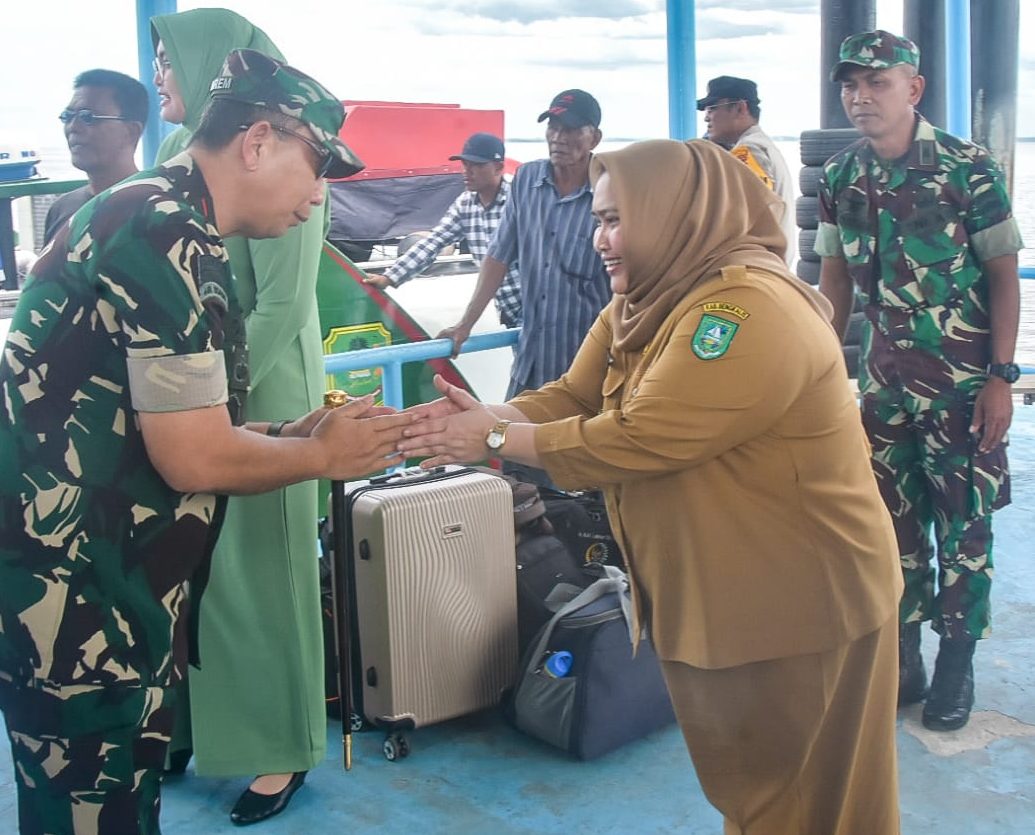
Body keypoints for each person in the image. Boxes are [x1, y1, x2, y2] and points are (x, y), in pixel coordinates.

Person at [399, 139, 903, 835]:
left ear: (675, 214)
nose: (599, 239)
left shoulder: (748, 311)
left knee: (807, 803)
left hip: (799, 604)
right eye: (597, 219)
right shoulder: (647, 299)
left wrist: (490, 439)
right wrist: (477, 418)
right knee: (756, 795)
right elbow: (574, 395)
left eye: (616, 219)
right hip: (720, 594)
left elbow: (642, 435)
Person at [0, 48, 409, 835]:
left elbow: (169, 421)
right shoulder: (164, 233)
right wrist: (323, 458)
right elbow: (191, 458)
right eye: (314, 163)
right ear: (257, 142)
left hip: (96, 585)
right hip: (79, 601)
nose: (317, 194)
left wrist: (294, 431)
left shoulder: (163, 217)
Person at [150, 7, 332, 825]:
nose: (160, 74)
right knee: (198, 575)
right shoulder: (169, 163)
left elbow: (284, 303)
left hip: (262, 389)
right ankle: (195, 727)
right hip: (198, 393)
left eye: (167, 58)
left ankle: (282, 746)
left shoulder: (290, 158)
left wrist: (221, 397)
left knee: (265, 584)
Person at [816, 30, 1024, 732]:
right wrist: (819, 370)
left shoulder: (968, 169)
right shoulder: (840, 176)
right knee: (886, 527)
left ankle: (955, 665)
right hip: (880, 386)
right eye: (850, 83)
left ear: (913, 88)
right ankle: (902, 657)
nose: (859, 95)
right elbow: (833, 280)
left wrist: (1001, 377)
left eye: (877, 81)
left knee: (962, 525)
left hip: (962, 386)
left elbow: (1002, 277)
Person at [439, 89, 610, 399]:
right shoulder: (527, 180)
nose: (558, 137)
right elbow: (498, 256)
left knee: (572, 446)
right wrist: (465, 324)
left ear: (594, 138)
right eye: (553, 127)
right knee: (508, 439)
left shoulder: (610, 189)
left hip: (590, 367)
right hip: (532, 359)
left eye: (570, 129)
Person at [364, 132, 522, 329]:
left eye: (477, 166)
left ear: (498, 167)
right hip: (508, 310)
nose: (468, 171)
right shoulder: (466, 204)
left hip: (535, 307)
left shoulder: (518, 202)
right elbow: (434, 242)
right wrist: (389, 277)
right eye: (465, 165)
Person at [697, 75, 796, 264]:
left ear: (740, 108)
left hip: (756, 268)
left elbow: (747, 219)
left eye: (713, 108)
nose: (706, 117)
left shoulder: (749, 150)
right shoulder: (761, 145)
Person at [43, 69, 148, 245]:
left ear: (130, 131)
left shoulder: (155, 210)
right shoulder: (62, 209)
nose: (73, 127)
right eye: (67, 116)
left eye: (87, 117)